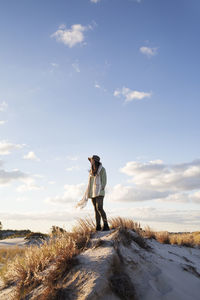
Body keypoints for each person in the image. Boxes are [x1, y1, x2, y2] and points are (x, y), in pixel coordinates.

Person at [76, 155, 110, 231]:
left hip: (99, 191)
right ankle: (98, 226)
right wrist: (89, 192)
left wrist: (102, 188)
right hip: (92, 192)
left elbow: (104, 180)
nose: (91, 162)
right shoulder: (91, 171)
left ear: (95, 161)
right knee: (96, 209)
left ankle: (106, 225)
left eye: (91, 160)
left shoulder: (102, 169)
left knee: (99, 208)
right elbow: (90, 183)